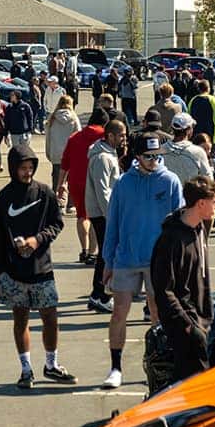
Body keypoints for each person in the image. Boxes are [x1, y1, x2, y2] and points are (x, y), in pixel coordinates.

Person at [100, 130, 183, 389]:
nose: (153, 161)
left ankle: (160, 367)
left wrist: (176, 259)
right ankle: (115, 368)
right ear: (137, 156)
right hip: (126, 258)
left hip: (159, 260)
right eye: (148, 156)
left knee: (158, 313)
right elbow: (112, 223)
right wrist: (108, 261)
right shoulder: (123, 184)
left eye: (157, 156)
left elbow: (178, 222)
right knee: (119, 312)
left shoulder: (170, 181)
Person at [0, 144, 76, 388]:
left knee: (50, 316)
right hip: (14, 271)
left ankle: (51, 365)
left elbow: (57, 224)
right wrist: (0, 270)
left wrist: (37, 239)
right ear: (13, 169)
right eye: (22, 168)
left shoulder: (44, 193)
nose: (27, 173)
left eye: (30, 168)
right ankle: (26, 369)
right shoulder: (4, 197)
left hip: (42, 268)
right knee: (21, 318)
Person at [150, 176, 215, 382]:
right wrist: (188, 326)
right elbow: (164, 290)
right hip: (185, 327)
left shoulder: (199, 229)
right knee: (192, 385)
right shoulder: (171, 240)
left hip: (200, 320)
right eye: (214, 201)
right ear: (201, 203)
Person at [84, 117, 127, 314]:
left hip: (103, 212)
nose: (124, 139)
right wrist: (112, 217)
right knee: (107, 254)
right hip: (102, 214)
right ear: (110, 136)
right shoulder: (102, 157)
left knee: (105, 253)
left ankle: (97, 294)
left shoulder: (108, 154)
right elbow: (103, 191)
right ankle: (101, 295)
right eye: (121, 135)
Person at [57, 109, 109, 264]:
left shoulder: (75, 137)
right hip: (96, 180)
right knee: (96, 216)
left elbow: (64, 162)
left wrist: (60, 184)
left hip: (76, 181)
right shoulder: (104, 136)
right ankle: (93, 252)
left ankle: (84, 250)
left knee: (82, 215)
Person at [159, 112, 213, 186]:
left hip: (166, 195)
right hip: (190, 196)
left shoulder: (161, 150)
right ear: (189, 130)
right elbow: (208, 179)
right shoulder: (197, 152)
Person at [45, 94, 80, 194]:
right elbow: (78, 136)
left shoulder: (52, 118)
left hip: (55, 153)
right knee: (71, 180)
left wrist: (48, 153)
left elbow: (48, 138)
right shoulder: (74, 118)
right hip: (70, 154)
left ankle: (55, 202)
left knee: (56, 179)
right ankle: (70, 205)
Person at [186, 79, 215, 145]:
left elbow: (189, 119)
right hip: (213, 135)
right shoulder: (213, 100)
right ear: (208, 88)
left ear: (199, 89)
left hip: (196, 136)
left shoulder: (192, 100)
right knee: (213, 154)